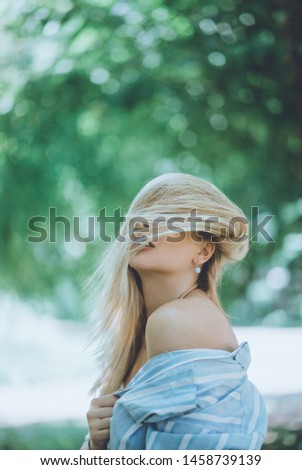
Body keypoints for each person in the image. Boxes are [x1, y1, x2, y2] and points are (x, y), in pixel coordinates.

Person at [81, 172, 267, 450]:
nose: (143, 223)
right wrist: (96, 444)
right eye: (141, 213)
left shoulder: (175, 322)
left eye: (168, 216)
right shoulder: (143, 332)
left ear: (203, 251)